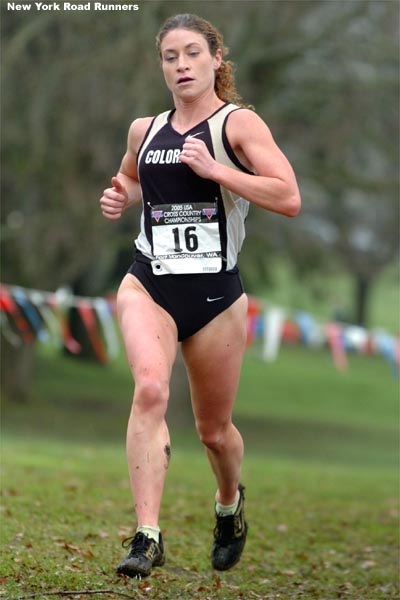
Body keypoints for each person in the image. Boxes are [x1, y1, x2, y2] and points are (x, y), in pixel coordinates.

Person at [99, 13, 301, 579]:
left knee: (214, 431)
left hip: (215, 294)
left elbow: (288, 196)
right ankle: (147, 536)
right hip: (151, 281)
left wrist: (218, 171)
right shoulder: (145, 128)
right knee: (149, 389)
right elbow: (132, 179)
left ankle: (229, 505)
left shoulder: (238, 125)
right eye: (170, 56)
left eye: (192, 53)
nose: (181, 65)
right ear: (161, 65)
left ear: (216, 59)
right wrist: (120, 197)